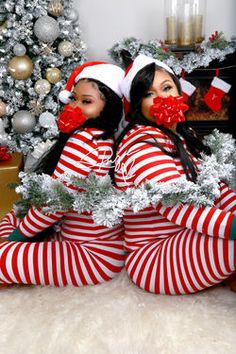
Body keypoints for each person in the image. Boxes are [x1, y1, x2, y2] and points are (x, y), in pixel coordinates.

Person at [113, 54, 236, 295]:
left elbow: (217, 189)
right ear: (139, 106)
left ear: (179, 92)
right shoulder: (140, 147)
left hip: (185, 237)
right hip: (154, 257)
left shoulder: (181, 135)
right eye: (148, 94)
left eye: (167, 87)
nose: (160, 98)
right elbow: (181, 207)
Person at [0, 61, 125, 287]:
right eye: (74, 98)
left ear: (109, 108)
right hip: (103, 248)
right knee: (13, 216)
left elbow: (53, 204)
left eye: (86, 101)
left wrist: (14, 239)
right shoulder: (104, 137)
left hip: (90, 256)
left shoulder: (83, 141)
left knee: (7, 247)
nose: (75, 106)